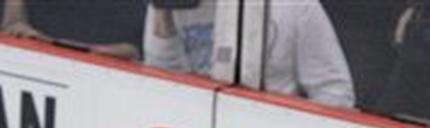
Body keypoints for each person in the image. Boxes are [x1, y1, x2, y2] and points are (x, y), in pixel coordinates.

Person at [144, 0, 355, 108]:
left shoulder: (295, 6)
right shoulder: (175, 6)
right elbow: (161, 83)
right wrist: (163, 14)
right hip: (192, 127)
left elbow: (335, 92)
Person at [1, 0, 147, 60]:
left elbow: (152, 49)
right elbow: (13, 20)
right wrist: (15, 21)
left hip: (109, 73)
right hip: (33, 55)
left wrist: (133, 52)